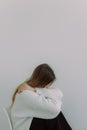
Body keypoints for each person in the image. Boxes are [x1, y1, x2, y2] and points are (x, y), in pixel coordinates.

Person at [10, 63, 63, 130]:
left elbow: (59, 93)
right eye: (48, 85)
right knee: (52, 115)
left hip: (31, 125)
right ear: (42, 82)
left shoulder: (33, 90)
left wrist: (35, 90)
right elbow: (55, 109)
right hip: (25, 127)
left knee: (52, 115)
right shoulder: (25, 94)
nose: (48, 88)